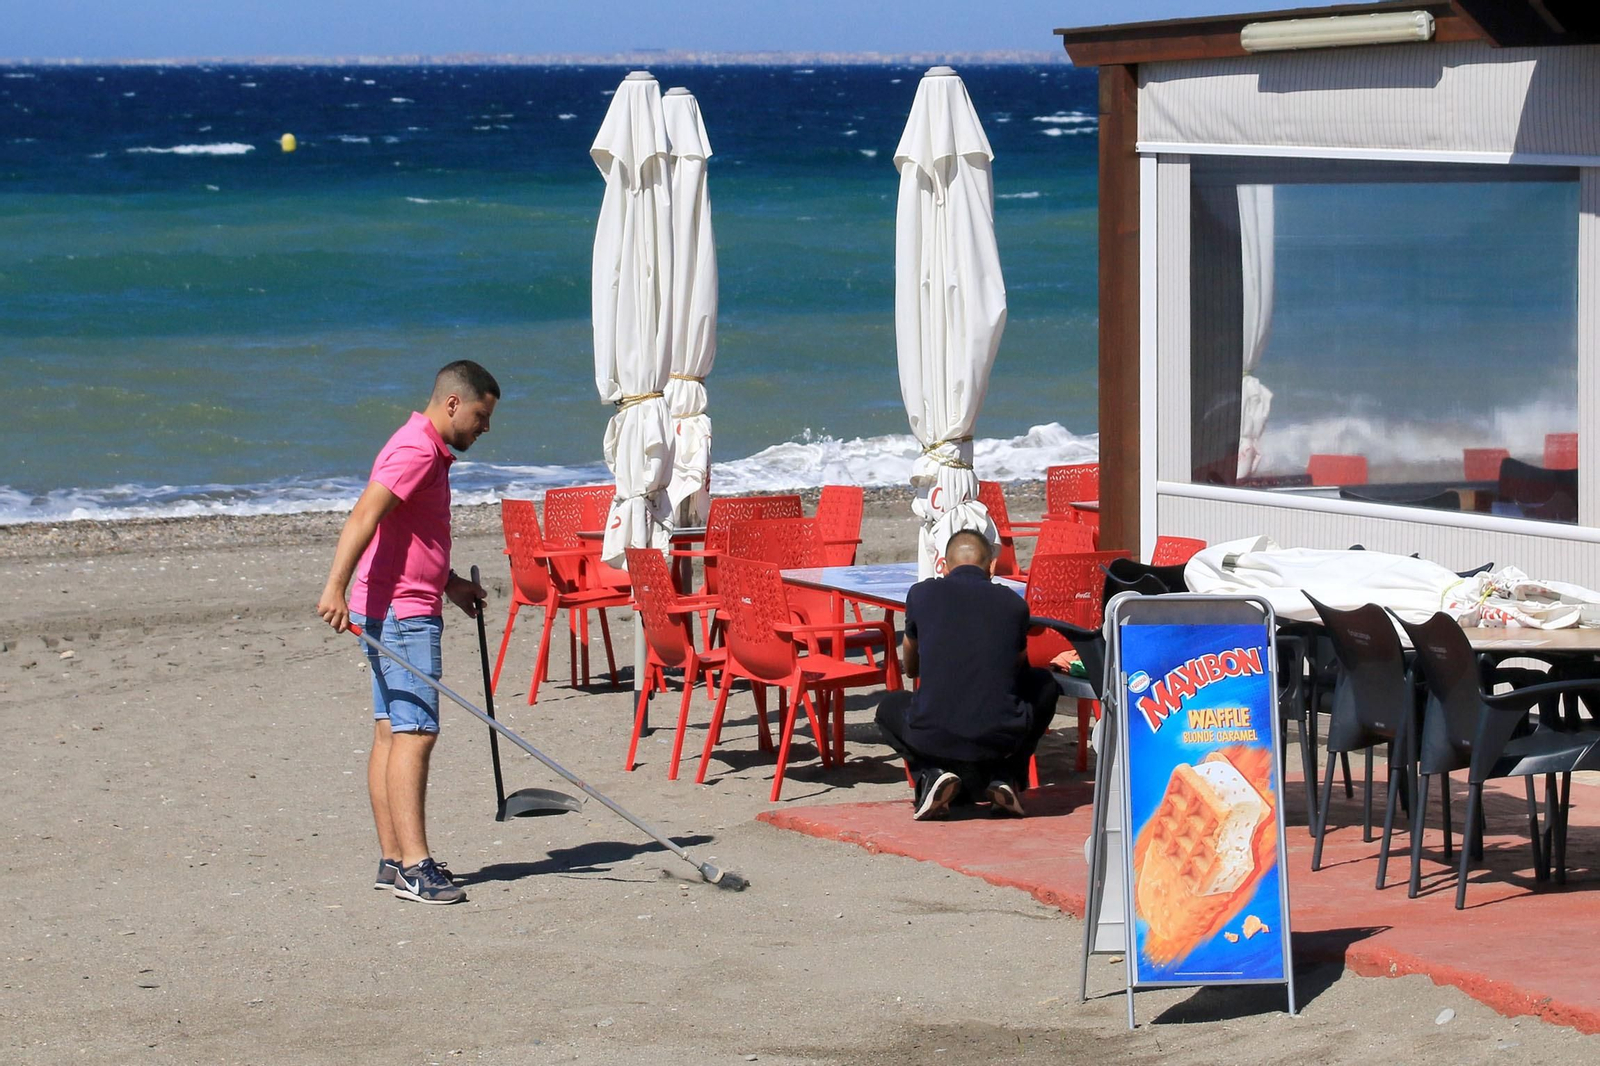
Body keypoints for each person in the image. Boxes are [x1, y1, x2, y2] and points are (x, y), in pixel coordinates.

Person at [316, 360, 499, 904]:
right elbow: (364, 516)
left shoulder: (425, 448)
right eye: (480, 417)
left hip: (397, 603)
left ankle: (394, 859)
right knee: (415, 732)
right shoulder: (417, 449)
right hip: (401, 614)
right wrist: (334, 588)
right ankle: (416, 867)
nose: (483, 429)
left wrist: (449, 584)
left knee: (391, 731)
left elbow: (409, 536)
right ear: (452, 404)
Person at [875, 529, 1059, 820]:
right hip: (1001, 734)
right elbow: (1018, 666)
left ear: (944, 566)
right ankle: (1007, 775)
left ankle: (930, 774)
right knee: (1046, 683)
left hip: (931, 733)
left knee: (888, 708)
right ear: (992, 567)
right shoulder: (1013, 605)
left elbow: (911, 668)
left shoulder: (921, 594)